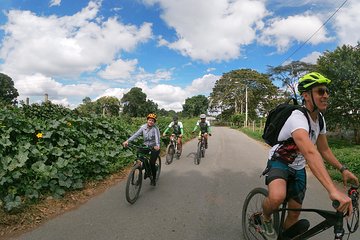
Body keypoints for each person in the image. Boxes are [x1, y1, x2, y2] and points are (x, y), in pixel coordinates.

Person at [261, 72, 359, 239]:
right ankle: (265, 218)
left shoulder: (320, 119)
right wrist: (333, 190)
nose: (326, 95)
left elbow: (324, 150)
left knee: (294, 213)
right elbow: (310, 152)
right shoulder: (297, 117)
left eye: (327, 91)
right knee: (277, 197)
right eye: (320, 91)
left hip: (298, 167)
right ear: (306, 96)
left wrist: (343, 169)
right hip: (281, 161)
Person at [122, 113, 160, 186]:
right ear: (147, 120)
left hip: (154, 147)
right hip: (146, 146)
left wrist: (157, 145)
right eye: (149, 120)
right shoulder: (143, 127)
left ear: (154, 122)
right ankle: (144, 169)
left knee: (152, 163)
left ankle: (153, 179)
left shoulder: (155, 128)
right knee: (139, 156)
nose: (150, 122)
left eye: (152, 121)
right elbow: (135, 135)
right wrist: (127, 141)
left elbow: (157, 138)